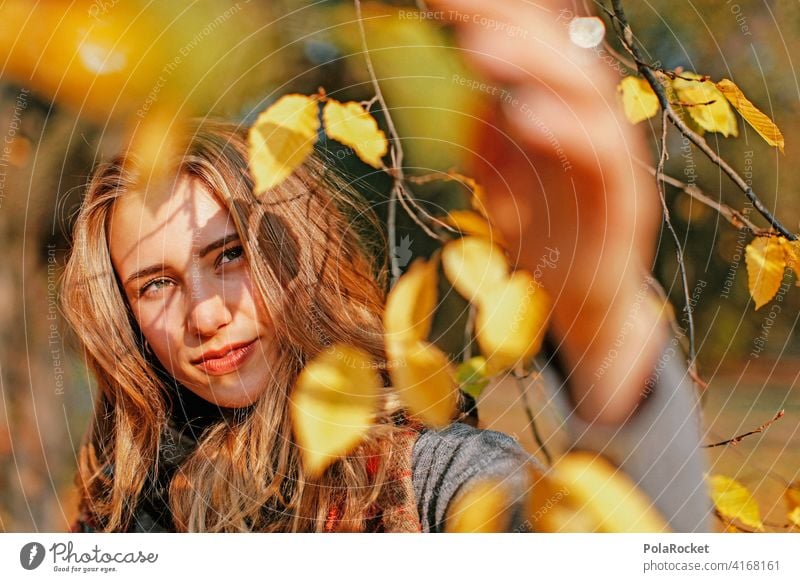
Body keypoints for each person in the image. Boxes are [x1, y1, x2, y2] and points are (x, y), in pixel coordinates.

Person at [62, 0, 712, 533]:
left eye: (230, 256)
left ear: (297, 259)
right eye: (155, 285)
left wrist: (600, 330)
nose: (205, 314)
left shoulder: (430, 482)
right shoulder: (119, 511)